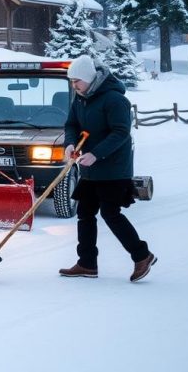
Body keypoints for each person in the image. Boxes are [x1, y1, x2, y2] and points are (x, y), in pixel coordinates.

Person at [60, 54, 155, 282]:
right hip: (90, 169)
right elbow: (71, 124)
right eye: (72, 81)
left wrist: (96, 154)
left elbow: (121, 133)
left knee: (110, 213)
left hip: (113, 169)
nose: (74, 85)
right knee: (84, 214)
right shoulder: (81, 98)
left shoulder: (114, 99)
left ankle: (142, 255)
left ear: (89, 78)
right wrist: (70, 143)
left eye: (76, 81)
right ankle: (87, 263)